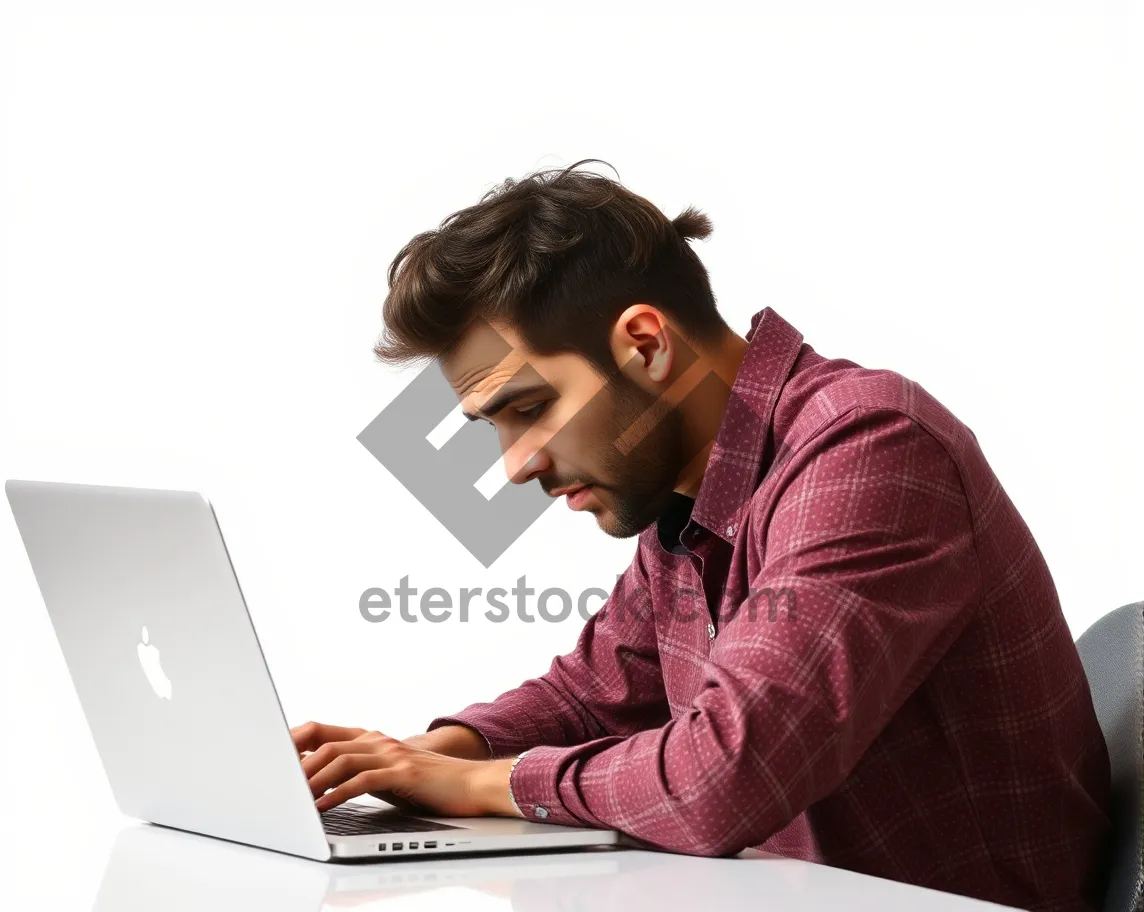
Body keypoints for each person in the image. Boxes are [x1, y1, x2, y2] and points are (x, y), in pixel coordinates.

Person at [291, 159, 1110, 911]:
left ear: (645, 345)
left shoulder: (870, 447)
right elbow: (597, 691)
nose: (514, 467)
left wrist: (469, 787)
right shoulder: (690, 498)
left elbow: (724, 777)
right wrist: (419, 755)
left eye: (531, 407)